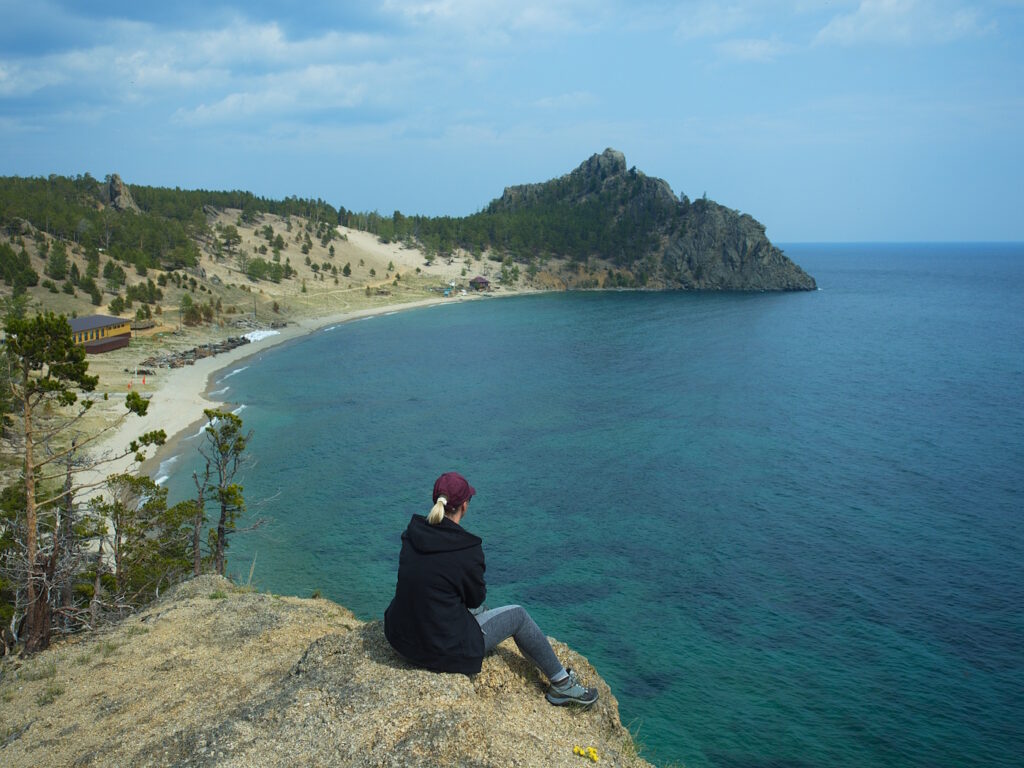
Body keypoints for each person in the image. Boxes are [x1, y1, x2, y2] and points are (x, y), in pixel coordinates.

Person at [384, 471, 598, 707]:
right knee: (518, 615)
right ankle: (562, 684)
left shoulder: (412, 533)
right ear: (464, 506)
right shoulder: (467, 549)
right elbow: (476, 597)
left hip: (401, 640)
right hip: (440, 650)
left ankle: (562, 684)